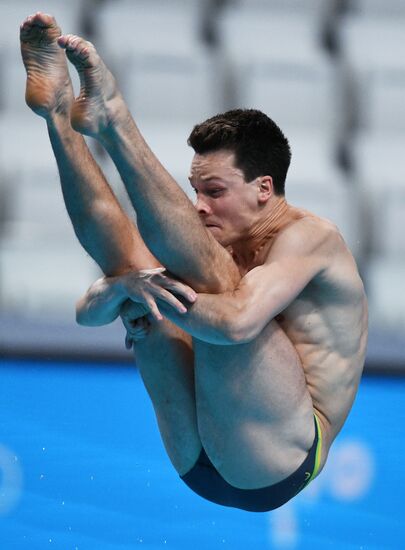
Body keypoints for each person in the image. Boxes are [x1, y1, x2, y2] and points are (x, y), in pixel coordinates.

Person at [20, 12, 368, 512]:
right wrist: (124, 289)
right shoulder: (212, 236)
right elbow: (86, 312)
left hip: (279, 462)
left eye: (215, 191)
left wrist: (153, 297)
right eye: (195, 191)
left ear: (264, 189)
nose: (200, 206)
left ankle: (114, 120)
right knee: (134, 267)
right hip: (195, 457)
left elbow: (237, 325)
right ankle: (58, 115)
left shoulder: (311, 239)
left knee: (203, 285)